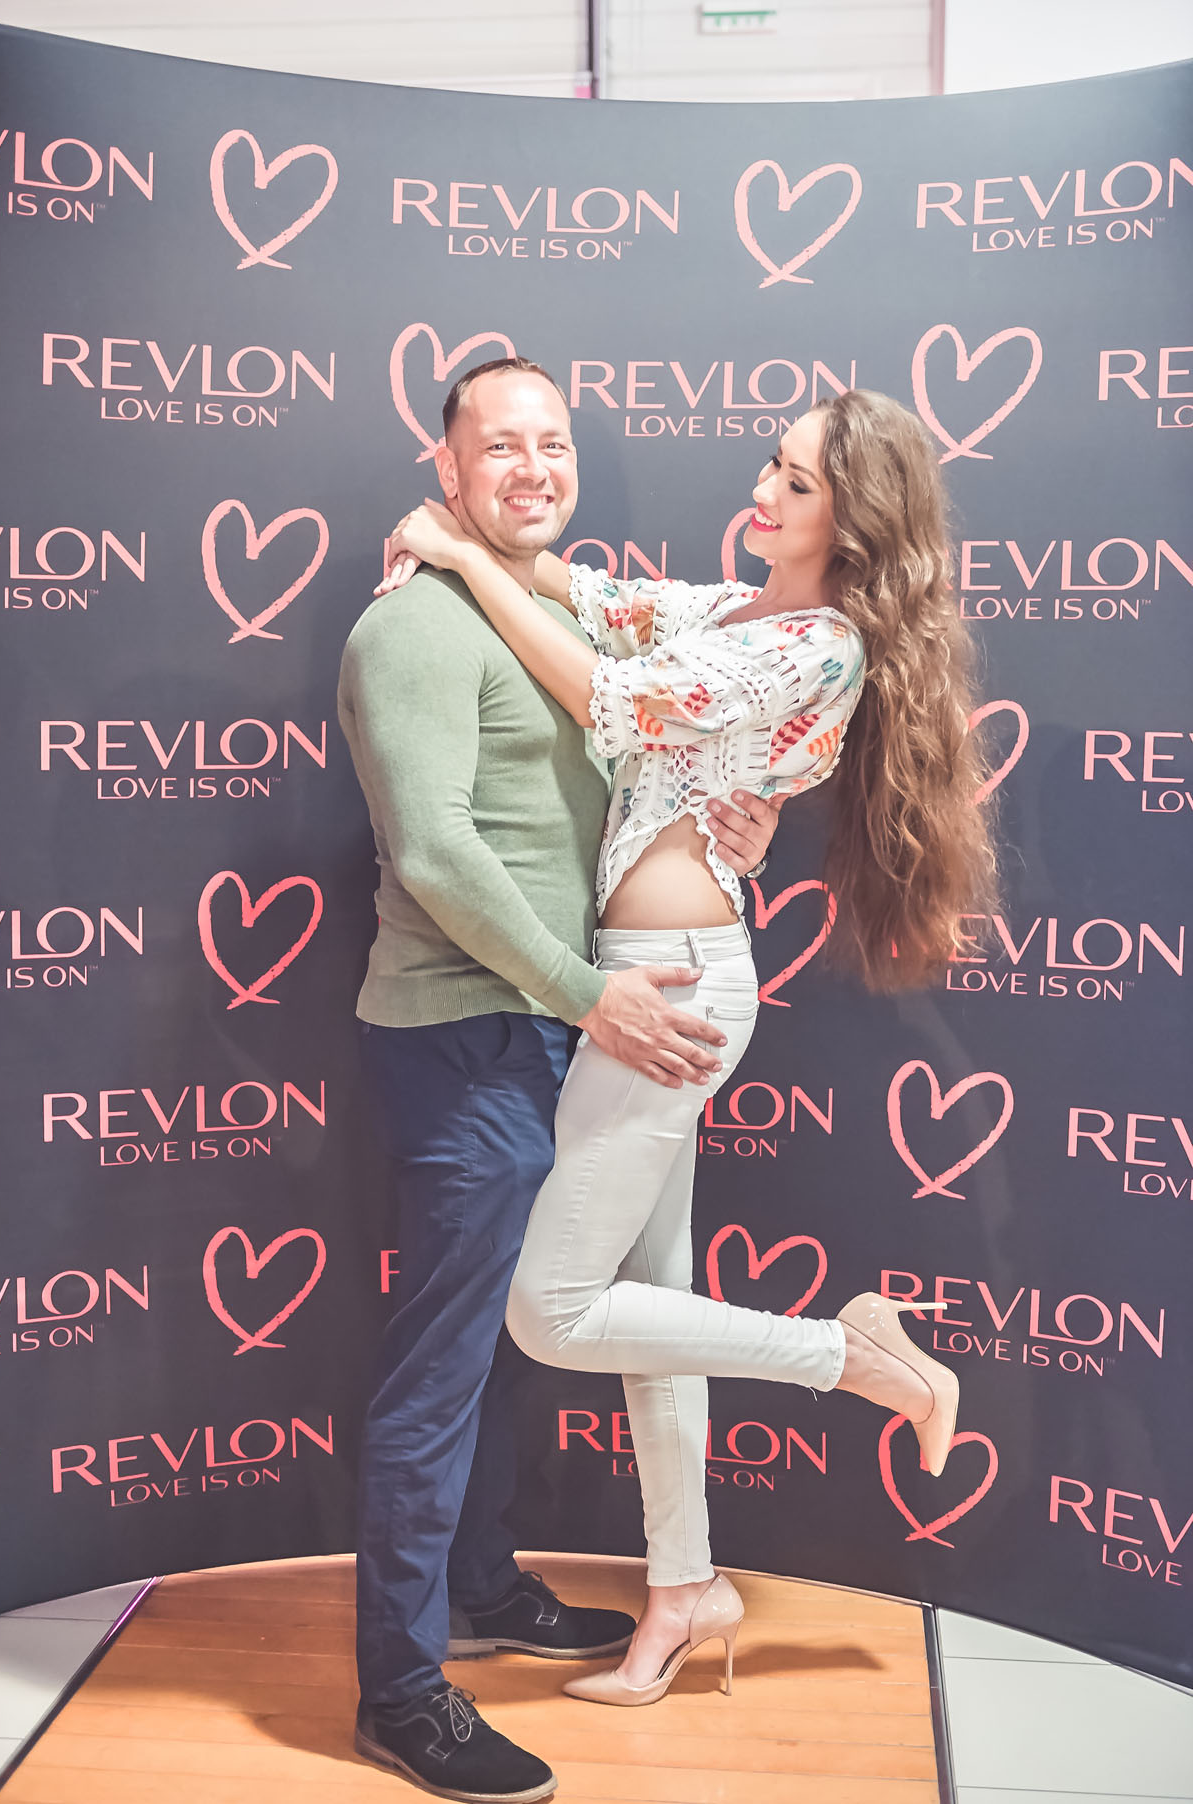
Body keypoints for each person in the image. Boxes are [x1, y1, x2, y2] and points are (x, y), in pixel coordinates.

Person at [379, 384, 998, 1712]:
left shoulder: (818, 646)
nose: (763, 492)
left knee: (552, 1311)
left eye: (798, 483)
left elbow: (612, 702)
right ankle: (683, 1587)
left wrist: (465, 562)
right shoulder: (736, 611)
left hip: (672, 983)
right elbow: (594, 600)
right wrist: (464, 538)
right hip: (641, 967)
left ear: (853, 521)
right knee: (653, 1303)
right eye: (771, 464)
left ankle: (855, 1356)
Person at [338, 356, 784, 1802]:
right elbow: (436, 852)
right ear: (447, 465)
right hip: (467, 1031)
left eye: (554, 444)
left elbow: (699, 714)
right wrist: (592, 996)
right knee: (441, 1370)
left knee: (518, 1341)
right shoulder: (412, 625)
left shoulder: (569, 611)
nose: (532, 468)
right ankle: (403, 1692)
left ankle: (481, 1588)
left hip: (553, 1029)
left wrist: (738, 818)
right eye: (500, 447)